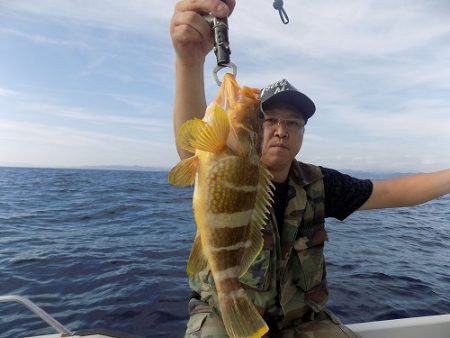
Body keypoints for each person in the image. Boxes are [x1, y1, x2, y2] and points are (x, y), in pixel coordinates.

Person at [170, 1, 450, 337]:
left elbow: (391, 192)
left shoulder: (318, 182)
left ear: (303, 132)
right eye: (270, 119)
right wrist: (189, 62)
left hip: (301, 320)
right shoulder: (224, 161)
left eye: (294, 123)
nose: (281, 130)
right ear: (258, 128)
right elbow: (190, 148)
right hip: (220, 310)